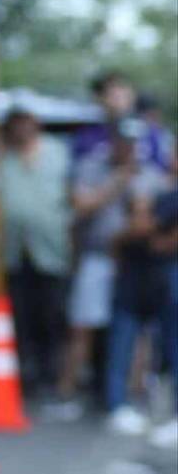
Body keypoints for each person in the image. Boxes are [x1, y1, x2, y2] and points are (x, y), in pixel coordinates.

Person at [57, 119, 165, 417]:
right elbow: (83, 206)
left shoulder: (152, 176)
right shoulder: (93, 166)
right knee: (83, 326)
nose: (129, 148)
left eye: (134, 143)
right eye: (124, 141)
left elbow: (149, 221)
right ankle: (69, 394)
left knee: (136, 330)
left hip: (135, 264)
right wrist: (119, 180)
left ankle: (129, 395)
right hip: (97, 256)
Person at [104, 145, 178, 442]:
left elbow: (163, 242)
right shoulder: (155, 187)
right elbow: (122, 238)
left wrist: (151, 230)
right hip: (136, 284)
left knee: (171, 350)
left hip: (166, 285)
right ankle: (118, 404)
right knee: (123, 345)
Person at [0, 108, 72, 396]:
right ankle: (25, 377)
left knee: (52, 316)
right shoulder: (2, 158)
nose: (21, 129)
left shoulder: (58, 153)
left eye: (25, 123)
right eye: (15, 124)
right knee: (21, 317)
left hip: (52, 250)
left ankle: (52, 376)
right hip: (15, 253)